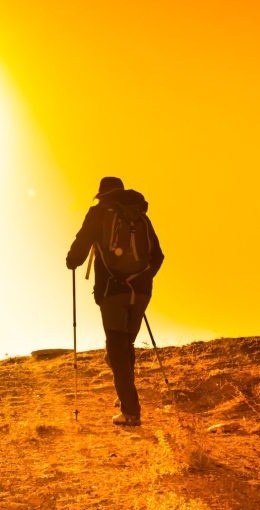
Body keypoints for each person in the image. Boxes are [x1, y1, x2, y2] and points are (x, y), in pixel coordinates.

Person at [66, 176, 164, 426]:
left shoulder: (99, 212)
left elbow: (81, 244)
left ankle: (130, 412)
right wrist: (140, 279)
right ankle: (126, 400)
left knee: (117, 349)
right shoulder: (140, 214)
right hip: (141, 292)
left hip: (112, 291)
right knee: (124, 345)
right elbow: (158, 256)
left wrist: (72, 261)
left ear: (102, 193)